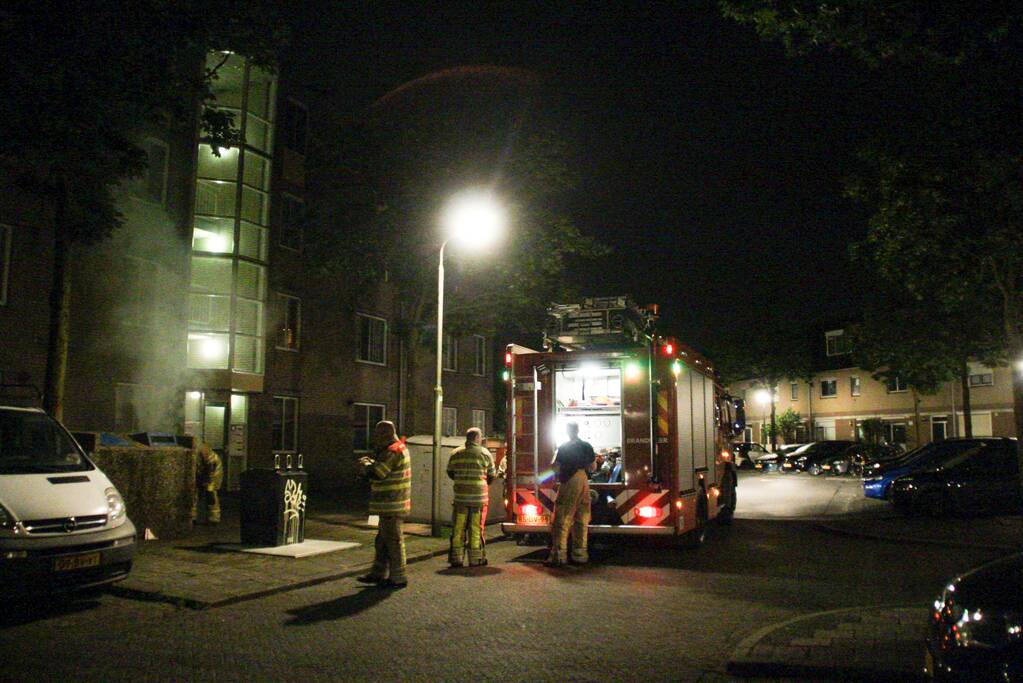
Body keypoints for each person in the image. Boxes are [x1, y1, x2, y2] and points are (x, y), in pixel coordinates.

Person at [356, 421, 412, 588]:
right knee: (382, 540)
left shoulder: (393, 451)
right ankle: (378, 572)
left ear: (385, 434)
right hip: (391, 504)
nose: (375, 437)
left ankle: (398, 577)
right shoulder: (397, 448)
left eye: (378, 434)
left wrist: (366, 465)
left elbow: (379, 473)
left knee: (393, 541)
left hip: (391, 504)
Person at [546, 421, 596, 567]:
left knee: (562, 516)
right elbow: (593, 467)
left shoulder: (563, 447)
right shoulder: (586, 446)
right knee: (582, 516)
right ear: (578, 430)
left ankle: (558, 556)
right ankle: (580, 555)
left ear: (568, 431)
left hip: (570, 480)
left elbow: (555, 467)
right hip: (583, 479)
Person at [446, 427, 496, 567]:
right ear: (477, 438)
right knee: (475, 528)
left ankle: (456, 558)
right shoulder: (485, 453)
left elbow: (450, 472)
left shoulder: (456, 453)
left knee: (458, 527)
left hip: (460, 498)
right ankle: (476, 559)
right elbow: (492, 475)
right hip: (478, 499)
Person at [192, 442, 223, 525]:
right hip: (204, 474)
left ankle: (214, 518)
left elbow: (210, 472)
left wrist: (205, 482)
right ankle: (194, 517)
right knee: (196, 494)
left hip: (212, 476)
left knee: (211, 495)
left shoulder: (212, 459)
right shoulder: (200, 453)